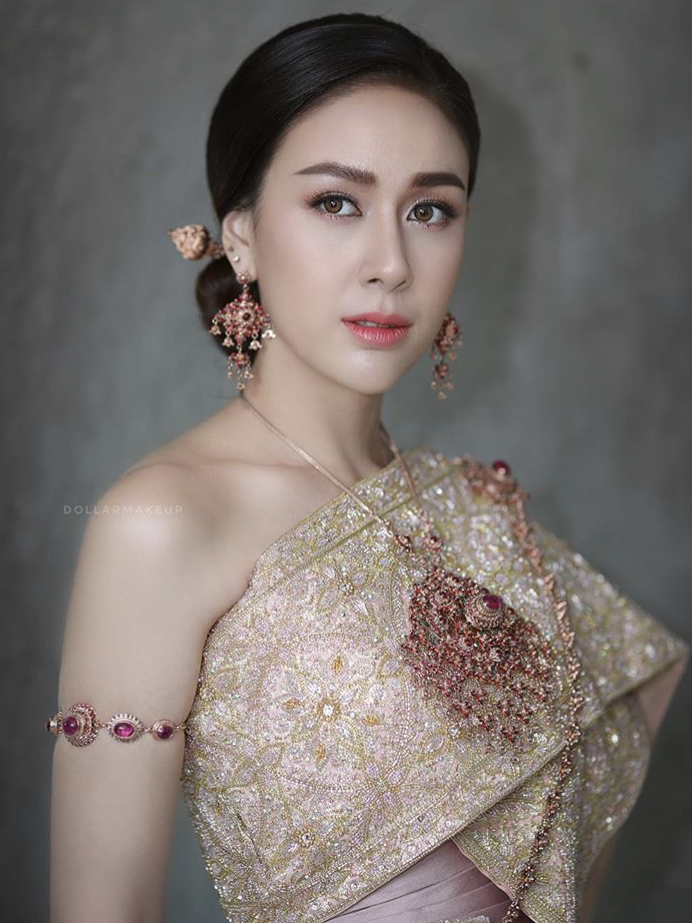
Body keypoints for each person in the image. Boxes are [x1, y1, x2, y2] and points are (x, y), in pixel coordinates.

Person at [46, 12, 689, 923]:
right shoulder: (163, 520)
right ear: (241, 235)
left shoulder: (473, 505)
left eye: (430, 210)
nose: (391, 263)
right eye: (336, 203)